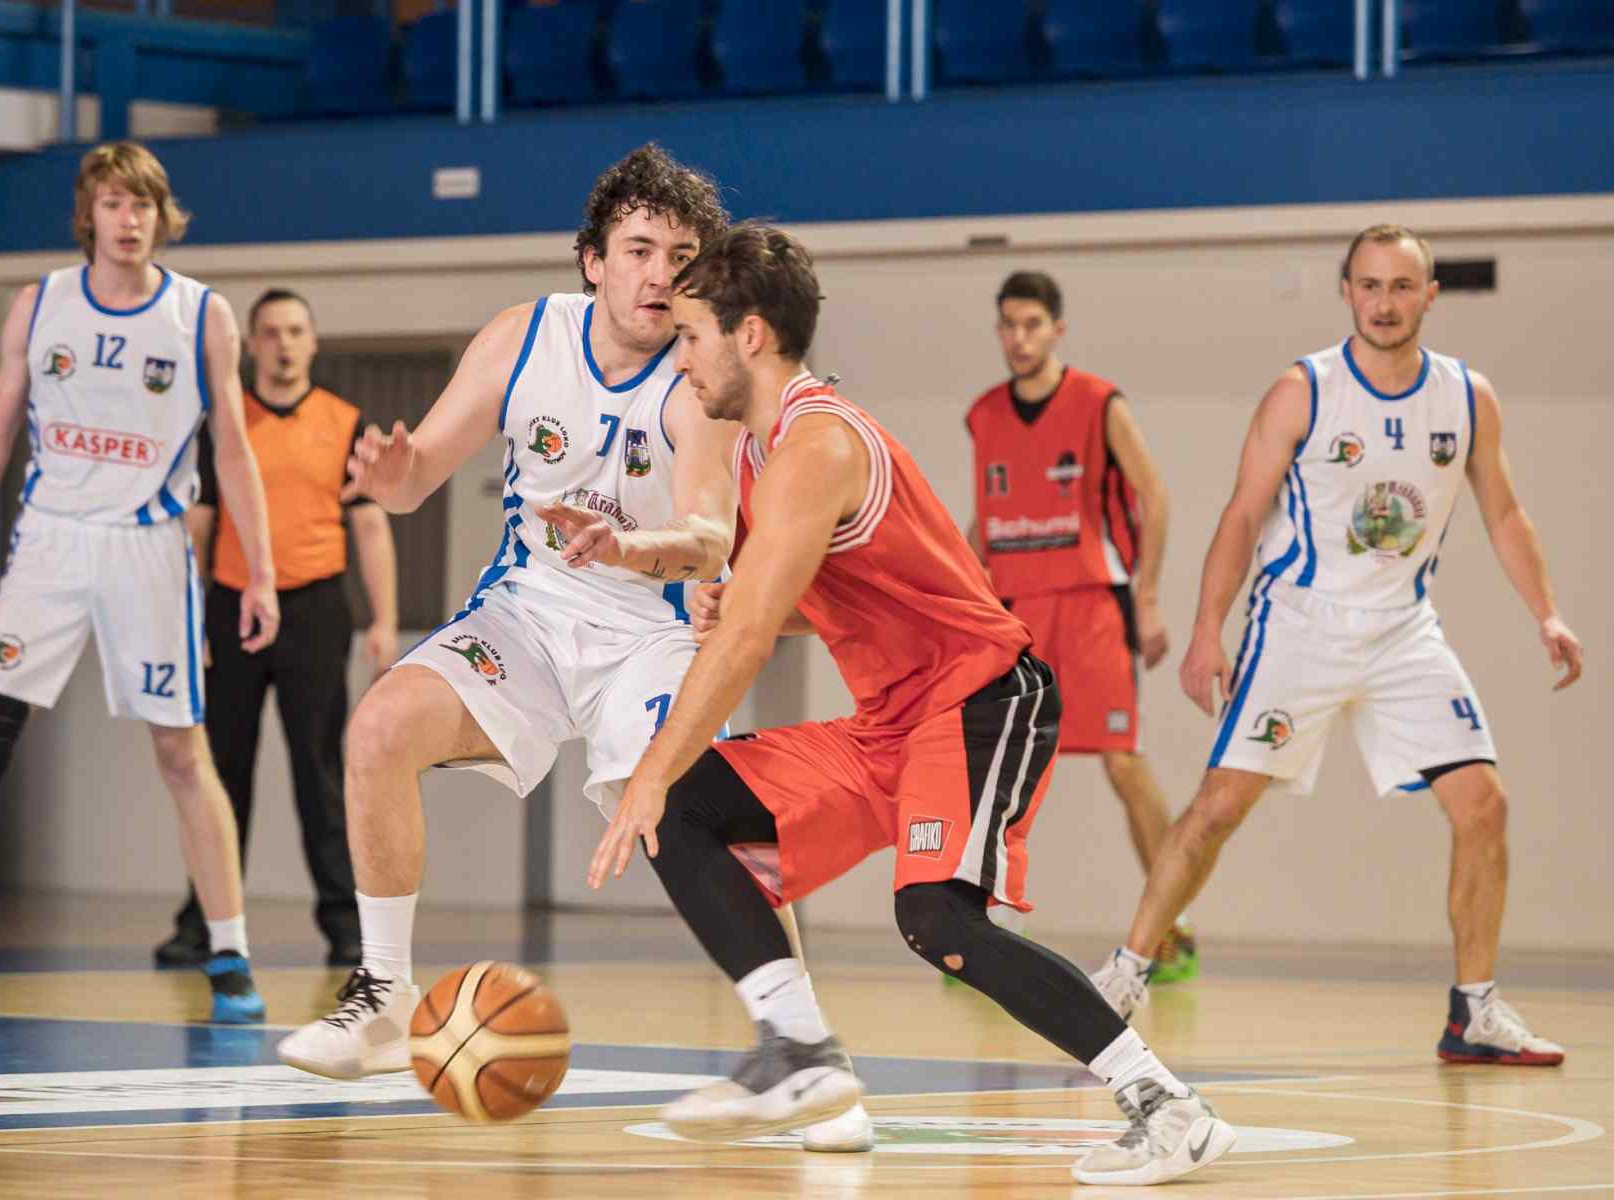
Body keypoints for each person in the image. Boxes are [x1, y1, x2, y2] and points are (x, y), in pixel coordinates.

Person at [588, 223, 1235, 1186]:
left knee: (938, 918)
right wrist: (736, 605)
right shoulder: (764, 451)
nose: (679, 359)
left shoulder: (817, 443)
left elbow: (749, 639)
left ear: (749, 335)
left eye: (691, 337)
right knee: (685, 808)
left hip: (979, 696)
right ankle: (797, 1047)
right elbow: (809, 606)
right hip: (892, 719)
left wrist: (655, 754)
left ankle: (1166, 1105)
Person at [272, 144, 869, 1155]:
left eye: (679, 258)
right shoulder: (523, 338)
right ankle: (382, 995)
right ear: (592, 260)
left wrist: (636, 549)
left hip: (652, 632)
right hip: (530, 616)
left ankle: (803, 1047)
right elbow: (415, 483)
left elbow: (710, 535)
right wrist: (391, 470)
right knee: (377, 730)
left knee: (693, 811)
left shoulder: (697, 375)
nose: (658, 275)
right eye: (638, 250)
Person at [1089, 224, 1582, 1067]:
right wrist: (1208, 629)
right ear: (1347, 292)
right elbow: (1242, 514)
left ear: (1430, 296)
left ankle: (1473, 1013)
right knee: (1218, 807)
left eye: (1402, 286)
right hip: (1299, 626)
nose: (1385, 302)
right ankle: (1124, 975)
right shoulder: (1303, 391)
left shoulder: (1467, 398)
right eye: (1370, 285)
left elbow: (1504, 512)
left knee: (1484, 806)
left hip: (1404, 632)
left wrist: (1548, 613)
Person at [0, 141, 280, 1024]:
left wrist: (261, 573)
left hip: (148, 547)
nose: (128, 220)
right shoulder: (39, 306)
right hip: (49, 544)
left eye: (142, 204)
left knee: (180, 754)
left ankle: (231, 958)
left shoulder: (202, 316)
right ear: (89, 216)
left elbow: (232, 450)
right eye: (113, 203)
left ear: (162, 217)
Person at [153, 288, 399, 969]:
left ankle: (346, 926)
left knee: (320, 774)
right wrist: (188, 620)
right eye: (271, 332)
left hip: (315, 610)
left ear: (312, 342)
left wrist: (383, 620)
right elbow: (197, 529)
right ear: (252, 344)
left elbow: (371, 526)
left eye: (295, 331)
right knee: (218, 770)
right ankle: (204, 924)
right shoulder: (224, 422)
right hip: (233, 608)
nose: (284, 344)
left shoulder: (345, 422)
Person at [965, 271, 1194, 980]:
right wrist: (961, 603)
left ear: (1057, 329)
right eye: (1008, 325)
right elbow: (985, 521)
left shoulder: (1099, 403)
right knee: (997, 770)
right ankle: (983, 927)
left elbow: (1156, 498)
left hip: (1094, 605)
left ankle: (1171, 931)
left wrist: (1147, 598)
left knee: (1124, 763)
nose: (1019, 338)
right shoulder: (984, 415)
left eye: (1032, 324)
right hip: (1016, 612)